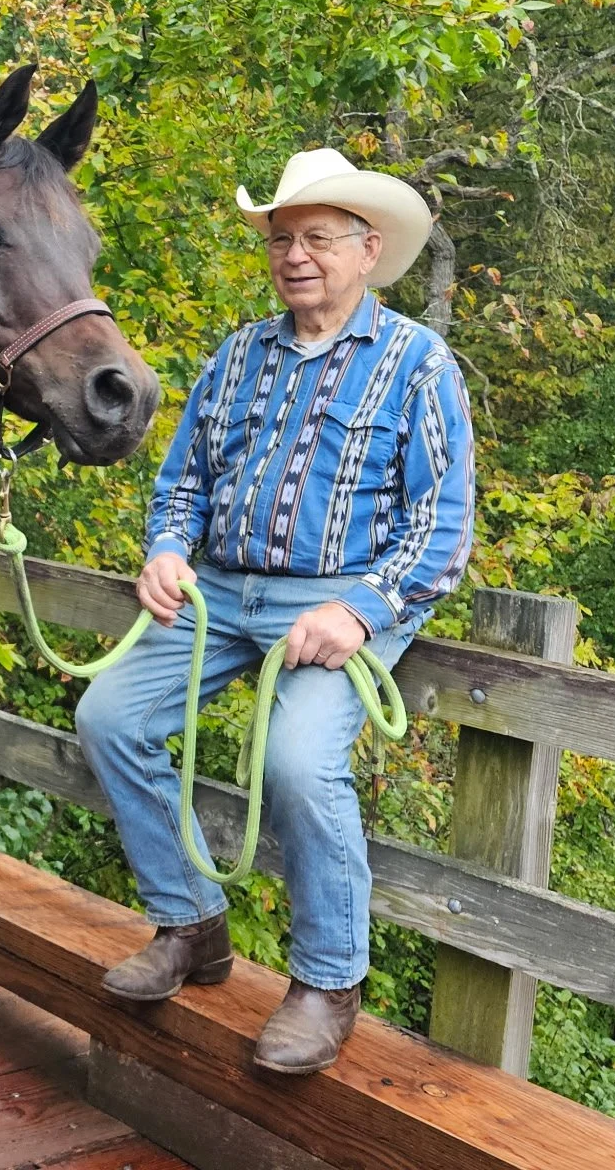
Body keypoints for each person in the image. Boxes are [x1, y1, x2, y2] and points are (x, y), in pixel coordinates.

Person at [75, 148, 475, 1075]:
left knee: (296, 762)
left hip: (339, 601)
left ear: (368, 250)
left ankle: (328, 982)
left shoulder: (417, 362)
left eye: (320, 239)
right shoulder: (239, 354)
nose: (297, 256)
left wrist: (364, 611)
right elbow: (183, 484)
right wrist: (167, 548)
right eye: (283, 239)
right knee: (108, 716)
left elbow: (443, 526)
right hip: (220, 591)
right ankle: (189, 925)